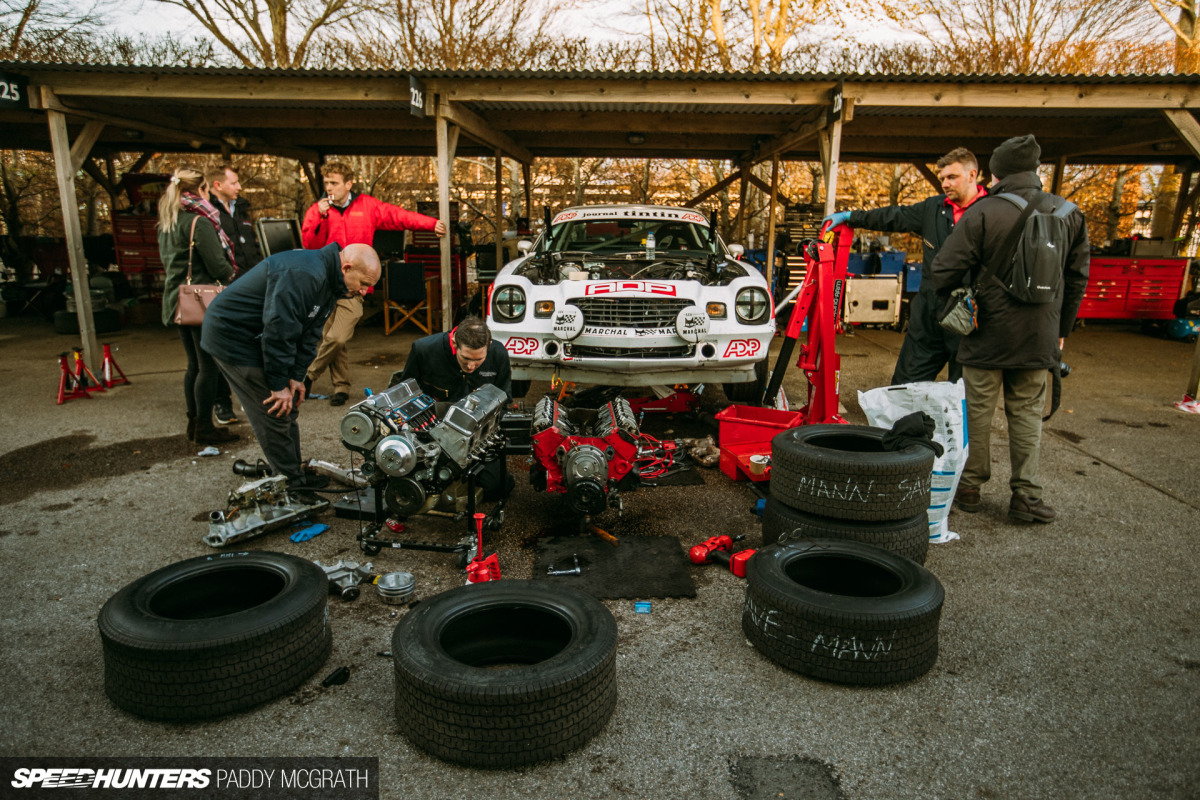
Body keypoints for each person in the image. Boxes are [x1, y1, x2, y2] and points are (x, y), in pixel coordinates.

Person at [931, 134, 1089, 523]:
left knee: (978, 411)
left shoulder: (984, 212)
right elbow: (1078, 277)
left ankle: (968, 488)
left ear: (996, 171)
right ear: (1035, 169)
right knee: (1027, 413)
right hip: (1041, 336)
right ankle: (1026, 497)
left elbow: (943, 271)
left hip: (987, 333)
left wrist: (962, 295)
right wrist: (1062, 329)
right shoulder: (1070, 213)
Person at [201, 242, 382, 487]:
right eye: (364, 284)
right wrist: (277, 385)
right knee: (274, 408)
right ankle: (292, 486)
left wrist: (297, 377)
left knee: (289, 406)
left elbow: (310, 333)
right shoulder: (305, 275)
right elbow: (279, 331)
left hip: (259, 335)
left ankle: (293, 471)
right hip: (231, 336)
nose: (364, 292)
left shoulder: (331, 282)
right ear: (347, 268)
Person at [824, 147, 987, 384]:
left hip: (970, 318)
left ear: (972, 175)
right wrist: (852, 217)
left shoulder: (992, 211)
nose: (945, 183)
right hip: (929, 314)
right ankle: (906, 422)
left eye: (952, 177)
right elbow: (893, 216)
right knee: (904, 386)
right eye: (942, 178)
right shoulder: (933, 208)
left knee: (965, 393)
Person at [300, 161, 447, 407]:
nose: (329, 188)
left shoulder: (367, 206)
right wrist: (320, 216)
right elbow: (309, 244)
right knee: (331, 336)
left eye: (334, 183)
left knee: (337, 336)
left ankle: (307, 376)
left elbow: (399, 216)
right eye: (327, 183)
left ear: (348, 184)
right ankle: (340, 387)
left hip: (353, 285)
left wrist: (431, 224)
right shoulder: (318, 210)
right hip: (325, 282)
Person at [157, 166, 238, 447]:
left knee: (193, 364)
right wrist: (231, 274)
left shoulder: (167, 222)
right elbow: (217, 265)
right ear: (200, 191)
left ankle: (194, 422)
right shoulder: (198, 222)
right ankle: (205, 425)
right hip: (200, 300)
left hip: (177, 298)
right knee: (208, 366)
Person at [395, 315, 513, 500]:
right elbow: (404, 394)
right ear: (454, 342)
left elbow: (504, 399)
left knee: (496, 488)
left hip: (478, 434)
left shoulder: (498, 353)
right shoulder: (424, 350)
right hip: (434, 433)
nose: (471, 365)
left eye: (479, 360)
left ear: (488, 346)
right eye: (465, 358)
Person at [206, 163, 264, 426]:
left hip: (252, 284)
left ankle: (251, 394)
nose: (239, 187)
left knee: (252, 341)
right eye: (234, 183)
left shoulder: (241, 209)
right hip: (226, 288)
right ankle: (222, 402)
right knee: (221, 346)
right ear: (217, 185)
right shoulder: (208, 213)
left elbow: (251, 246)